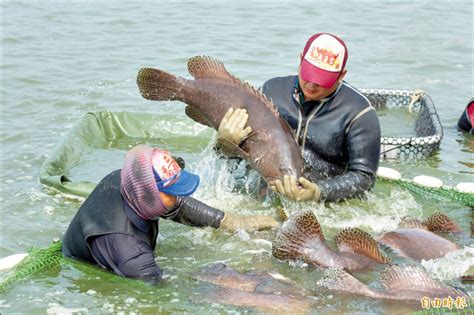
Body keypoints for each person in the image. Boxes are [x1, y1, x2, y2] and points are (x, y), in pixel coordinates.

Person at [62, 145, 277, 283]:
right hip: (99, 268)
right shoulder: (130, 252)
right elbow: (163, 289)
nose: (178, 197)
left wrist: (231, 221)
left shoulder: (127, 179)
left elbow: (178, 204)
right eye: (170, 192)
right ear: (147, 193)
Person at [218, 33, 381, 202]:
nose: (312, 84)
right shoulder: (270, 91)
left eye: (321, 79)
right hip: (263, 195)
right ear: (301, 59)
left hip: (323, 206)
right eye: (309, 74)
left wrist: (319, 192)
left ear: (341, 75)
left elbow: (364, 177)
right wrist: (224, 142)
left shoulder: (359, 112)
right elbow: (236, 156)